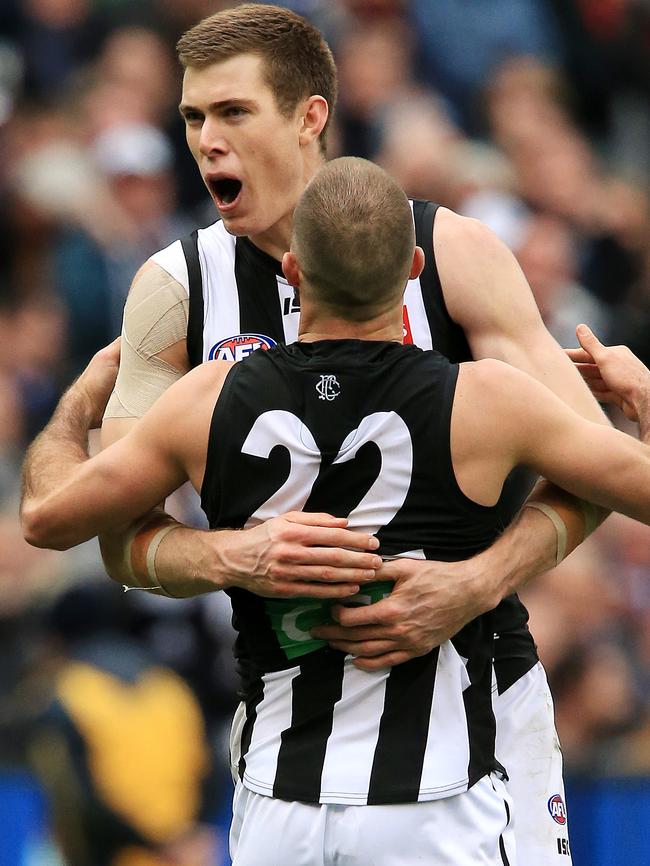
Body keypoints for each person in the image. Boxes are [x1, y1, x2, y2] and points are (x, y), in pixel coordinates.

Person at [20, 5, 610, 863]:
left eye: (232, 113)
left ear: (310, 117)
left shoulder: (452, 254)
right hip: (289, 733)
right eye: (192, 117)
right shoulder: (175, 287)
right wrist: (234, 558)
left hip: (477, 717)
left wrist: (478, 580)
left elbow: (595, 467)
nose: (206, 141)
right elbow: (116, 538)